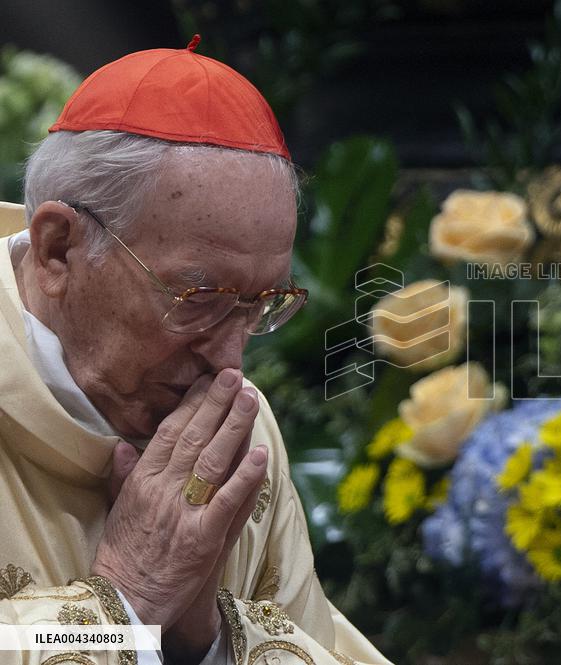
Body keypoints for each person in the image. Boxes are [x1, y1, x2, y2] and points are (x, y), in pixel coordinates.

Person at [0, 37, 392, 665]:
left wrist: (203, 639)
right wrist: (128, 604)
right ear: (57, 250)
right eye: (199, 296)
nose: (230, 361)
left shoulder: (233, 431)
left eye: (261, 303)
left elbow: (314, 643)